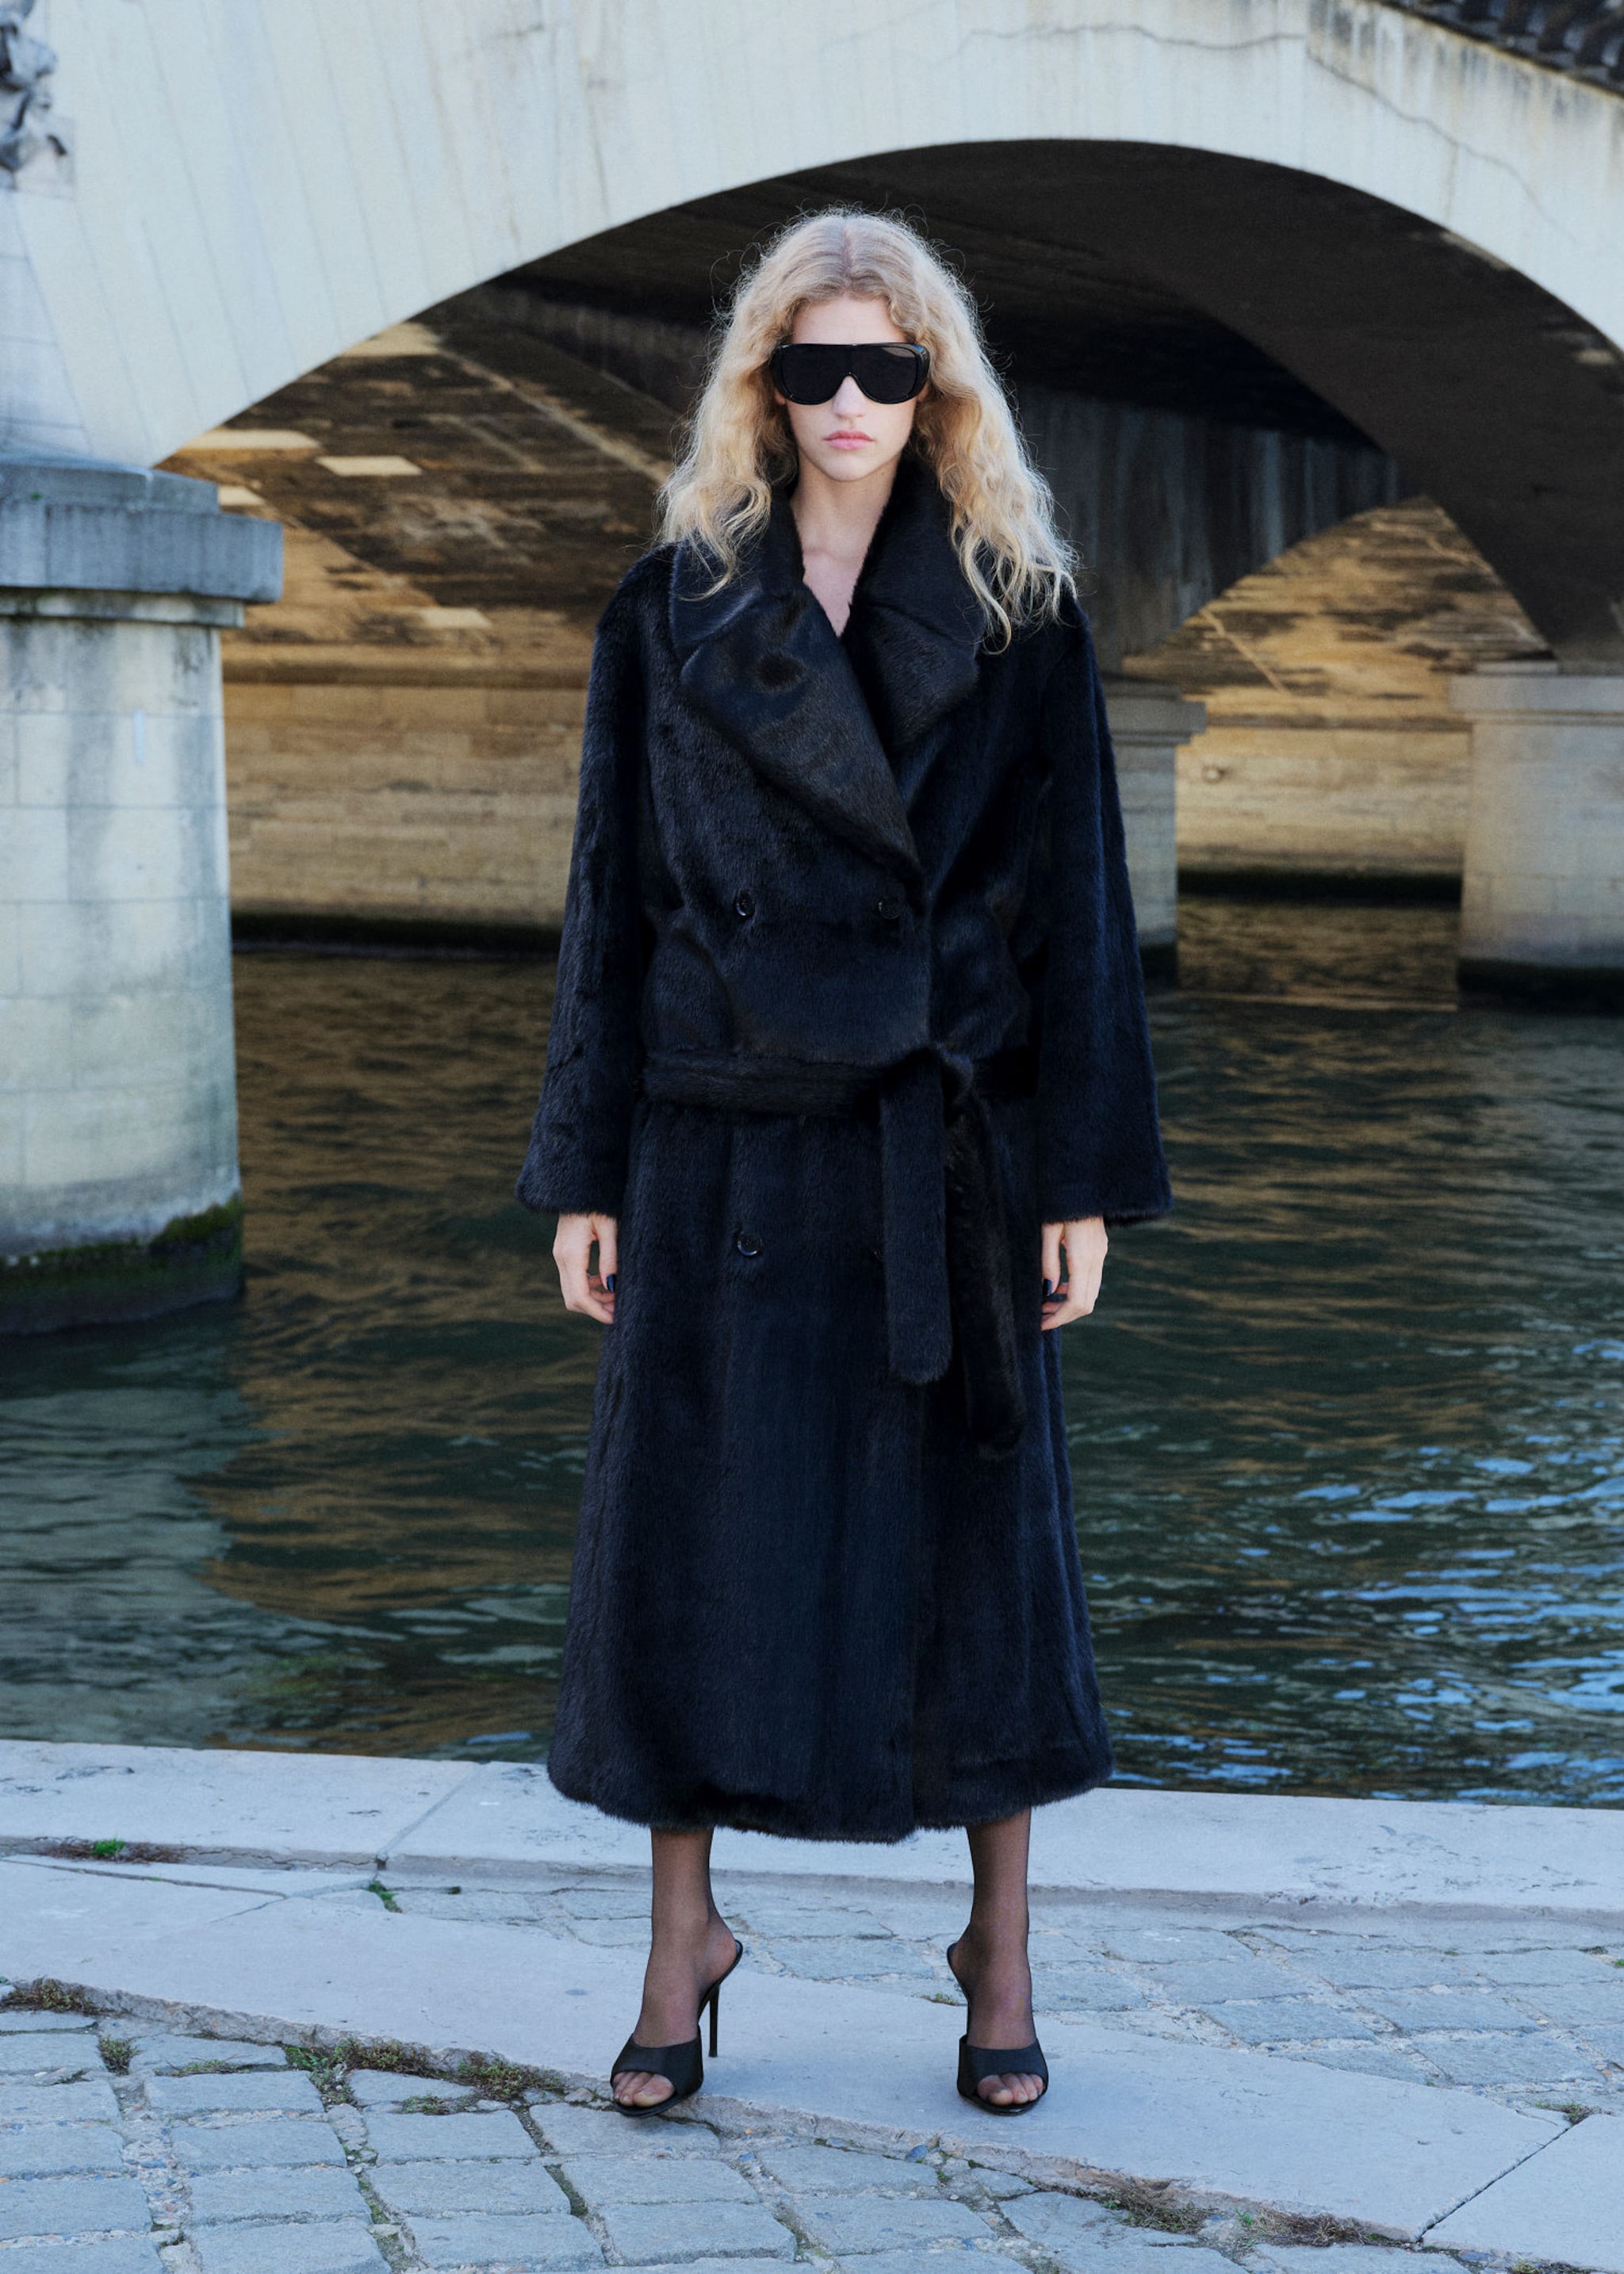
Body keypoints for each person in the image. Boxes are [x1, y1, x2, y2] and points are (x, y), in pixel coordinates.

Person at [516, 208, 1171, 2117]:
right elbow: (608, 907)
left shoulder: (1020, 606)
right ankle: (677, 1945)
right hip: (721, 1144)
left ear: (936, 382)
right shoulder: (670, 607)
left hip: (943, 1145)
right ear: (760, 385)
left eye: (889, 365)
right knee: (685, 1554)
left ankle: (999, 1953)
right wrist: (585, 1171)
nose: (851, 400)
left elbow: (1080, 915)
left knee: (983, 1560)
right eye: (812, 366)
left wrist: (1080, 1182)